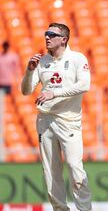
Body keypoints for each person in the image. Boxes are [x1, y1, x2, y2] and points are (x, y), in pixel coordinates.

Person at [21, 23, 92, 211]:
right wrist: (29, 70)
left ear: (64, 39)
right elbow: (26, 91)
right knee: (51, 173)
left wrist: (55, 93)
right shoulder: (42, 61)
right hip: (45, 121)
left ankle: (84, 209)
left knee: (75, 167)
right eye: (46, 33)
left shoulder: (77, 58)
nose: (47, 37)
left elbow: (85, 85)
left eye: (52, 34)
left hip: (68, 120)